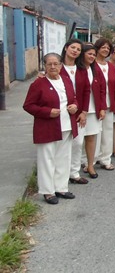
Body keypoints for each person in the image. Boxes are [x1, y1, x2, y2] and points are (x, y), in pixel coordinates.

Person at [24, 53, 79, 204]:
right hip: (47, 127)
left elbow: (73, 97)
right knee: (47, 159)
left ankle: (61, 188)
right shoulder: (38, 84)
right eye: (49, 64)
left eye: (56, 64)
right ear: (45, 66)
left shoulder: (66, 80)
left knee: (64, 158)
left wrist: (75, 105)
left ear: (61, 65)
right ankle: (48, 191)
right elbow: (28, 105)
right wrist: (47, 112)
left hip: (66, 125)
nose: (53, 67)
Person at [60, 39, 90, 185]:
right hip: (61, 112)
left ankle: (74, 172)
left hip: (79, 112)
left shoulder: (82, 69)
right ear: (66, 48)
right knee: (63, 145)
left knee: (78, 143)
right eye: (73, 47)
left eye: (78, 49)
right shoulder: (57, 67)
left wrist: (84, 111)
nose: (75, 51)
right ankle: (61, 174)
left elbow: (86, 91)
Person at [94, 38, 115, 171]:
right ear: (97, 48)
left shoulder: (111, 67)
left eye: (107, 48)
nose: (105, 50)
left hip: (109, 104)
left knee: (108, 132)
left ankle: (105, 159)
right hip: (94, 105)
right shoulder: (91, 65)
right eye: (103, 47)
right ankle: (90, 160)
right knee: (94, 133)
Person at [81, 44, 106, 179]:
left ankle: (90, 165)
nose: (92, 57)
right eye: (89, 54)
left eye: (93, 55)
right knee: (77, 142)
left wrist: (102, 107)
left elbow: (102, 89)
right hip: (79, 111)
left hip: (93, 108)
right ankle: (73, 169)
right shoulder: (77, 68)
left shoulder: (95, 69)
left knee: (91, 139)